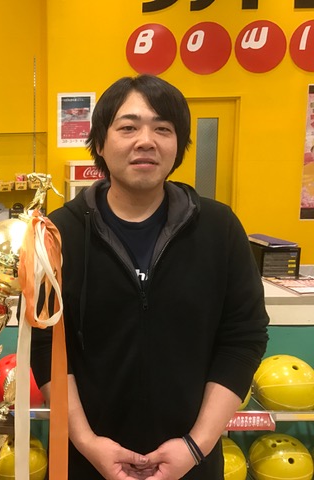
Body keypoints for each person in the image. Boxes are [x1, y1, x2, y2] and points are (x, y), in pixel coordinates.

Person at [31, 75, 269, 479]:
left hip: (191, 462)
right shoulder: (57, 233)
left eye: (163, 128)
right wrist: (87, 442)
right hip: (86, 461)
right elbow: (45, 344)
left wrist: (195, 446)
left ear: (179, 144)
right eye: (128, 127)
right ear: (100, 143)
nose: (146, 141)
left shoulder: (219, 228)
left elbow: (243, 338)